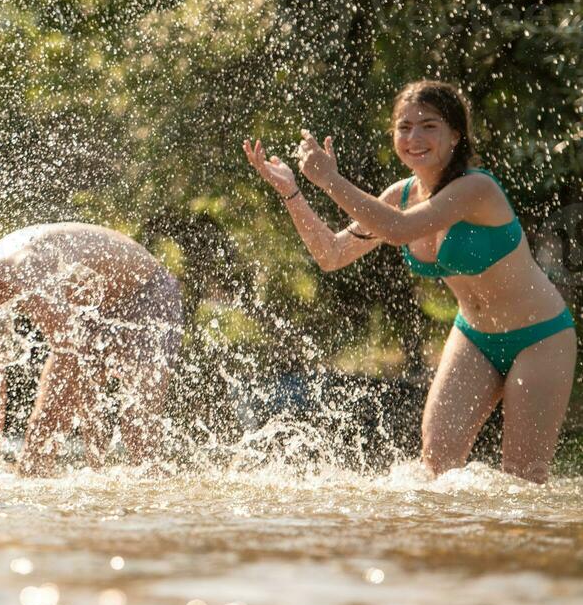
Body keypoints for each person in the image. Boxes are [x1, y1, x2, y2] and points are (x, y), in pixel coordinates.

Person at [245, 80, 576, 483]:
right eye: (404, 127)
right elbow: (331, 254)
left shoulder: (476, 188)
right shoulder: (399, 196)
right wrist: (292, 192)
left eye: (429, 126)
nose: (414, 137)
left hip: (539, 338)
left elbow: (399, 231)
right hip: (474, 337)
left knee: (524, 477)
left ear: (456, 134)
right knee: (436, 465)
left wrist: (331, 180)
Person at [0, 223, 182, 474]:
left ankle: (158, 501)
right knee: (82, 426)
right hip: (93, 306)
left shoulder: (22, 270)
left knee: (137, 430)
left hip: (146, 291)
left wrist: (34, 451)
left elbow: (70, 350)